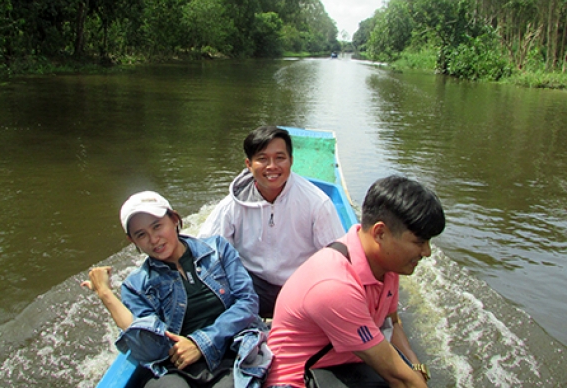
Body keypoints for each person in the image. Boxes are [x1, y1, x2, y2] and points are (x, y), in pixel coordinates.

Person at [264, 175, 446, 388]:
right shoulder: (334, 285)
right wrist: (411, 377)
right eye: (419, 242)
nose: (427, 252)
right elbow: (398, 377)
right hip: (299, 381)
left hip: (344, 369)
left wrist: (415, 367)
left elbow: (392, 323)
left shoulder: (389, 268)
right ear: (380, 233)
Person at [81, 191, 271, 388]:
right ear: (132, 241)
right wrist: (105, 293)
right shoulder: (136, 285)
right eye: (141, 235)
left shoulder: (217, 250)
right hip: (174, 368)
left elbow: (247, 302)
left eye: (157, 226)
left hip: (232, 351)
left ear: (174, 219)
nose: (154, 240)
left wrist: (200, 343)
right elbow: (151, 348)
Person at [198, 126, 346, 318]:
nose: (272, 167)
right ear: (249, 165)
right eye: (262, 159)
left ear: (291, 161)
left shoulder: (316, 203)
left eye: (280, 158)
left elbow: (338, 257)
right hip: (251, 285)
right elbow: (206, 250)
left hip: (301, 287)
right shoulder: (232, 204)